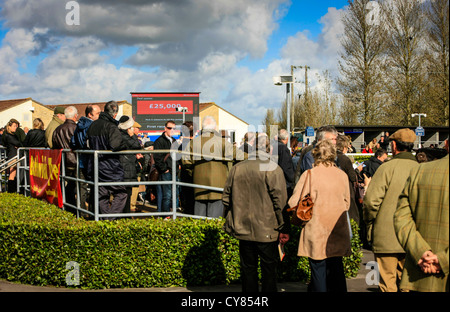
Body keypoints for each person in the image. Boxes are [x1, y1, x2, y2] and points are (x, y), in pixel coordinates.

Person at [222, 133, 289, 292]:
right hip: (268, 229)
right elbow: (280, 202)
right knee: (269, 271)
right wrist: (284, 227)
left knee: (248, 270)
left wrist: (234, 215)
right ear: (269, 148)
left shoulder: (237, 168)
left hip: (242, 227)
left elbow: (226, 198)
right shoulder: (272, 168)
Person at [289, 139, 351, 292]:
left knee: (318, 271)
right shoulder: (342, 175)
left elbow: (293, 202)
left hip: (316, 229)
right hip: (337, 229)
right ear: (333, 155)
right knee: (336, 270)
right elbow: (347, 204)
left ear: (315, 154)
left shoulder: (310, 174)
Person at [363, 128, 419, 292]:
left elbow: (371, 202)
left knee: (387, 285)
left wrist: (370, 224)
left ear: (393, 146)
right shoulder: (420, 168)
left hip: (386, 235)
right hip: (413, 237)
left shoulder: (386, 168)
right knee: (408, 285)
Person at [394, 138, 449, 292]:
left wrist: (421, 252)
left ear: (446, 144)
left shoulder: (420, 171)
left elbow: (401, 217)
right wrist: (443, 260)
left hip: (421, 275)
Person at [183, 116, 245, 218]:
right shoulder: (223, 142)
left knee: (199, 219)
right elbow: (240, 156)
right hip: (218, 186)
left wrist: (194, 173)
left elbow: (186, 162)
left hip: (198, 185)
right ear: (215, 128)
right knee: (215, 220)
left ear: (202, 128)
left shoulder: (193, 143)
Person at [86, 101, 127, 220]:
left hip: (96, 165)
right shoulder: (111, 126)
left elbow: (87, 143)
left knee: (102, 194)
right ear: (115, 114)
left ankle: (105, 219)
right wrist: (124, 145)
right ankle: (109, 218)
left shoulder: (93, 125)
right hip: (110, 166)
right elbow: (115, 145)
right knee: (121, 193)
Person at [70, 104, 101, 214]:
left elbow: (73, 142)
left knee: (81, 188)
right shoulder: (93, 126)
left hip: (81, 160)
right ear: (90, 114)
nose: (100, 115)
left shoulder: (79, 125)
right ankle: (93, 213)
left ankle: (82, 213)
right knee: (93, 187)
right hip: (91, 161)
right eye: (97, 113)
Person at [52, 106, 78, 212]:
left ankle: (66, 206)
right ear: (75, 116)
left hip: (62, 161)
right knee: (77, 186)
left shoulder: (57, 129)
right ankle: (74, 208)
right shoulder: (76, 129)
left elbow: (54, 145)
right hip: (75, 161)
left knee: (65, 185)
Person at [117, 116, 143, 214]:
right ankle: (125, 215)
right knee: (126, 193)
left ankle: (125, 214)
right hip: (126, 167)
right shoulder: (124, 136)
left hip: (126, 166)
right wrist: (133, 136)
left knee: (126, 193)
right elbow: (137, 146)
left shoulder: (121, 134)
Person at [153, 120, 179, 214]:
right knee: (166, 195)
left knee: (174, 194)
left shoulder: (174, 140)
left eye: (174, 128)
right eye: (169, 128)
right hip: (166, 172)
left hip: (174, 171)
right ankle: (166, 215)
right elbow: (157, 157)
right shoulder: (159, 141)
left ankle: (173, 214)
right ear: (165, 129)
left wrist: (177, 166)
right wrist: (164, 169)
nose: (172, 130)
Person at [336, 135, 359, 223]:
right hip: (346, 189)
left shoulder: (332, 156)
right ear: (344, 147)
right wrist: (357, 170)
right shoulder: (345, 159)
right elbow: (352, 177)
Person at [1, 119, 22, 192]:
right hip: (13, 156)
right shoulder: (9, 136)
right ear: (9, 127)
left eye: (16, 126)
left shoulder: (12, 135)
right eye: (14, 126)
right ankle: (11, 191)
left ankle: (12, 190)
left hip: (13, 155)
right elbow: (18, 143)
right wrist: (18, 145)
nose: (15, 128)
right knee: (12, 174)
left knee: (14, 173)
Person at [275, 129, 295, 197]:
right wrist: (293, 179)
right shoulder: (283, 149)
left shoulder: (273, 146)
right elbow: (286, 167)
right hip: (284, 183)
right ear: (287, 138)